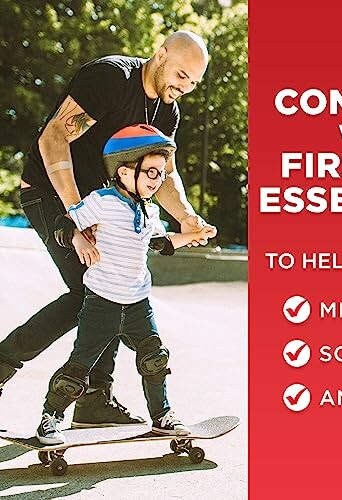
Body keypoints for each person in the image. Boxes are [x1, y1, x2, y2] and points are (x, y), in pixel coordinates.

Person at [0, 30, 212, 427]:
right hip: (50, 191)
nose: (184, 87)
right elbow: (53, 139)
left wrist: (185, 216)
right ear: (160, 55)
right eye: (181, 75)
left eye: (193, 83)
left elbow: (163, 172)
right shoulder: (112, 78)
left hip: (101, 207)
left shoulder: (166, 112)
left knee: (112, 284)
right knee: (91, 292)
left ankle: (95, 399)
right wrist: (77, 213)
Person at [37, 124, 217, 445]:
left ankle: (162, 416)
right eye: (151, 172)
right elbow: (64, 223)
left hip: (138, 304)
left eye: (161, 174)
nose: (157, 180)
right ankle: (51, 417)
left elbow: (160, 243)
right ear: (124, 171)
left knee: (154, 358)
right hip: (101, 303)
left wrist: (194, 234)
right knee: (81, 365)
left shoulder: (148, 209)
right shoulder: (102, 201)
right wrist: (79, 239)